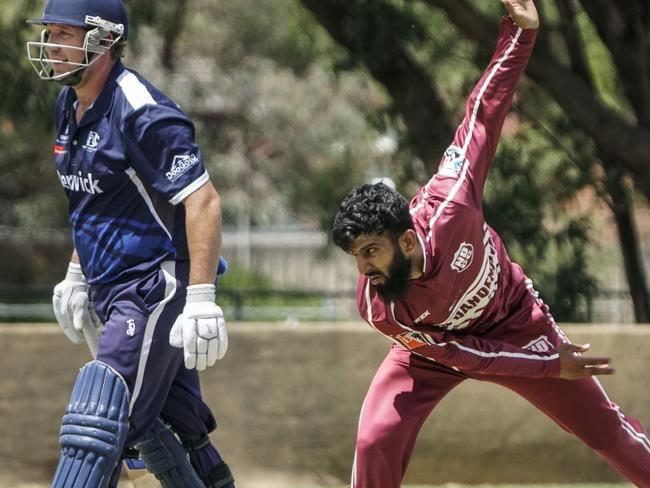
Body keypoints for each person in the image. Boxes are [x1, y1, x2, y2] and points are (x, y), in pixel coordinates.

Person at [332, 1, 650, 487]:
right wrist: (547, 366)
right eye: (355, 257)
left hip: (516, 324)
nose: (363, 269)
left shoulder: (453, 201)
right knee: (375, 440)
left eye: (371, 252)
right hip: (437, 349)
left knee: (611, 435)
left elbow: (484, 110)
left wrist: (519, 34)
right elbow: (467, 356)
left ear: (406, 239)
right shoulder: (383, 309)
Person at [26, 0, 236, 486]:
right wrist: (76, 274)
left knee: (97, 426)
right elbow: (91, 202)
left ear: (101, 39)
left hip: (152, 287)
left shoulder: (141, 111)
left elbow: (202, 202)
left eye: (61, 33)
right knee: (175, 430)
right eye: (49, 33)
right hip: (110, 289)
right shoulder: (68, 104)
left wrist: (202, 301)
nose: (49, 45)